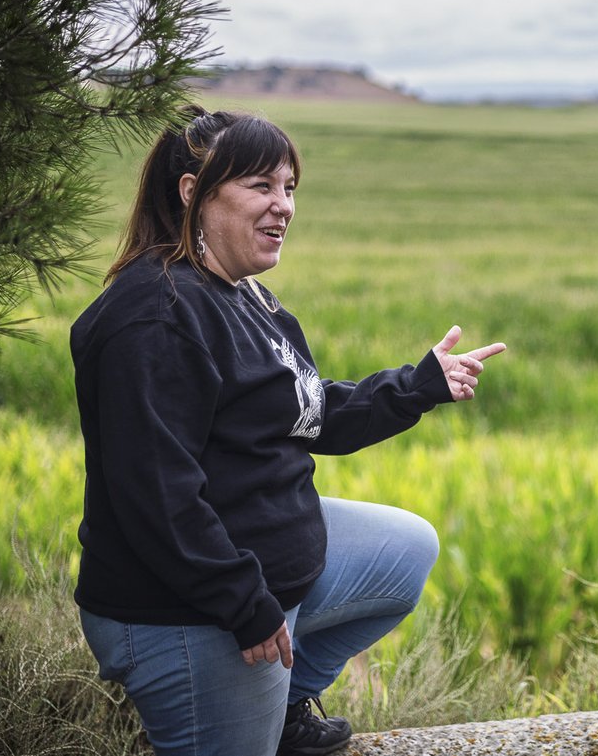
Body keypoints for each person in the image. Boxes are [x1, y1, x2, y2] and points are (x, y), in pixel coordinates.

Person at [71, 105, 505, 756]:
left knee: (405, 549)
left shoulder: (244, 296)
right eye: (260, 186)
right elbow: (157, 496)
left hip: (256, 566)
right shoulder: (154, 316)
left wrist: (419, 385)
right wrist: (244, 602)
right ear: (193, 194)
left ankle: (285, 700)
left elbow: (308, 412)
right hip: (186, 611)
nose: (284, 207)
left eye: (289, 188)